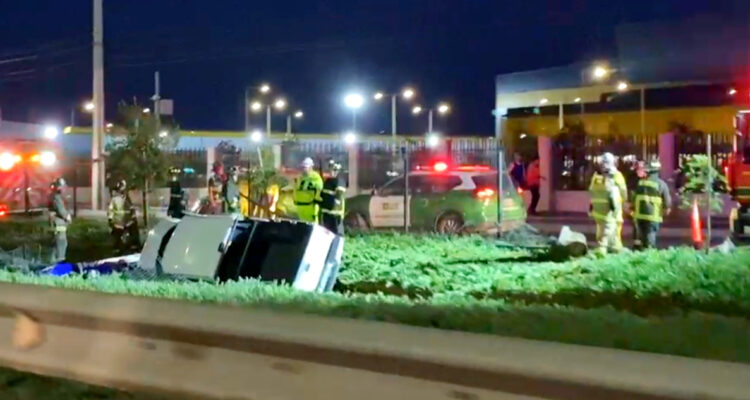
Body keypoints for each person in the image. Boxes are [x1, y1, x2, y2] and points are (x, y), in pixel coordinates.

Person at [632, 160, 672, 249]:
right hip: (653, 217)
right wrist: (664, 212)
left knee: (639, 239)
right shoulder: (661, 184)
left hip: (639, 216)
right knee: (650, 239)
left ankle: (637, 254)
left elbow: (633, 199)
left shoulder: (640, 183)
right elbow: (667, 203)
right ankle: (649, 255)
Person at [589, 167, 624, 254]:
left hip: (597, 214)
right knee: (607, 235)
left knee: (605, 234)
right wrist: (616, 212)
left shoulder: (596, 185)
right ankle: (602, 253)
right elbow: (614, 202)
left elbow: (592, 197)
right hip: (608, 215)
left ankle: (615, 250)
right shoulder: (612, 187)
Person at [600, 152, 628, 242]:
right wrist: (624, 200)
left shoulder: (597, 175)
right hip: (614, 207)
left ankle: (603, 245)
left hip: (600, 210)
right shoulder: (617, 174)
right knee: (615, 227)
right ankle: (612, 246)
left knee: (602, 229)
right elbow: (623, 190)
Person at [319, 160, 346, 234]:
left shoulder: (340, 181)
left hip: (335, 213)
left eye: (334, 170)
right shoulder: (327, 181)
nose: (331, 172)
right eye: (330, 169)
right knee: (327, 233)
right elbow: (323, 194)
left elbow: (338, 198)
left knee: (337, 234)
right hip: (326, 212)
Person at [293, 157, 323, 223]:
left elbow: (319, 189)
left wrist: (316, 200)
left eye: (305, 167)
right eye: (302, 167)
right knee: (303, 226)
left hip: (310, 207)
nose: (303, 169)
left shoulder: (315, 177)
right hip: (300, 206)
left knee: (313, 226)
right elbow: (296, 189)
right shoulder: (300, 177)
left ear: (311, 167)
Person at [48, 178, 71, 262]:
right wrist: (67, 217)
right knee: (61, 242)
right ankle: (59, 261)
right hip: (58, 223)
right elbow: (61, 210)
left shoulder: (55, 196)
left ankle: (53, 261)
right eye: (62, 187)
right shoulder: (56, 197)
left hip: (57, 223)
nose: (63, 189)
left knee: (57, 243)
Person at [107, 180, 132, 255]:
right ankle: (121, 249)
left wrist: (110, 219)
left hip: (119, 222)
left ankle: (119, 249)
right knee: (122, 237)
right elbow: (131, 209)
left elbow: (110, 210)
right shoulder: (126, 199)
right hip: (124, 222)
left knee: (118, 237)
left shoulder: (116, 199)